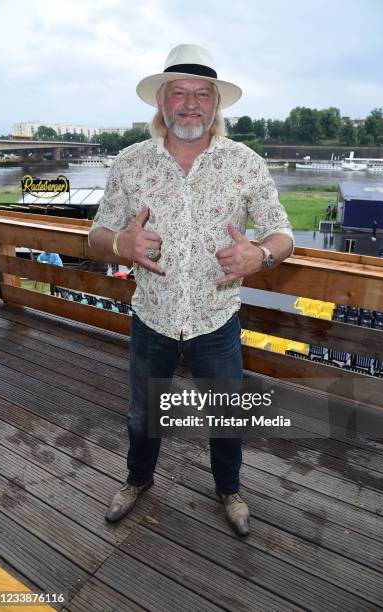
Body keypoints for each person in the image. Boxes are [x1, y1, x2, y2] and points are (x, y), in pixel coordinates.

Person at [88, 44, 294, 537]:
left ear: (216, 105)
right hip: (152, 318)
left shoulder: (244, 163)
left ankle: (229, 490)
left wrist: (260, 255)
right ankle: (138, 480)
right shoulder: (131, 163)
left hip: (216, 320)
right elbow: (95, 236)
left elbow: (282, 232)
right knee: (142, 413)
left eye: (202, 93)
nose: (190, 103)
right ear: (160, 101)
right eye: (179, 92)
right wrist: (122, 241)